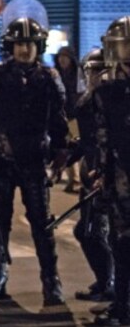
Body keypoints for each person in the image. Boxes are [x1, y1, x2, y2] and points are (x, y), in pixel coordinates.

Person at [0, 17, 68, 306]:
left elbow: (59, 121)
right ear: (10, 46)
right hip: (1, 161)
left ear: (38, 46)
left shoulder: (49, 78)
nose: (24, 49)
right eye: (19, 44)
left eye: (29, 44)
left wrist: (61, 153)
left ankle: (51, 280)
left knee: (42, 223)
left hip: (35, 161)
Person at [92, 16, 130, 326]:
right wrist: (102, 172)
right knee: (121, 243)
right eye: (124, 44)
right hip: (120, 173)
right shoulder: (107, 85)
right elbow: (102, 133)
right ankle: (121, 305)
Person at [72, 48, 115, 303]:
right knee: (87, 231)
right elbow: (88, 140)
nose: (95, 76)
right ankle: (105, 281)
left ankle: (111, 285)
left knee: (104, 233)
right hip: (92, 175)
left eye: (100, 71)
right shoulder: (86, 102)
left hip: (109, 176)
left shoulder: (116, 98)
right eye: (92, 71)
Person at [54, 46, 83, 193]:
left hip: (74, 115)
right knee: (66, 146)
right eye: (60, 57)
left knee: (76, 145)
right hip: (62, 115)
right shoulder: (56, 75)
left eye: (65, 57)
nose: (62, 60)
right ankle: (74, 178)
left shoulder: (77, 74)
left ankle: (77, 179)